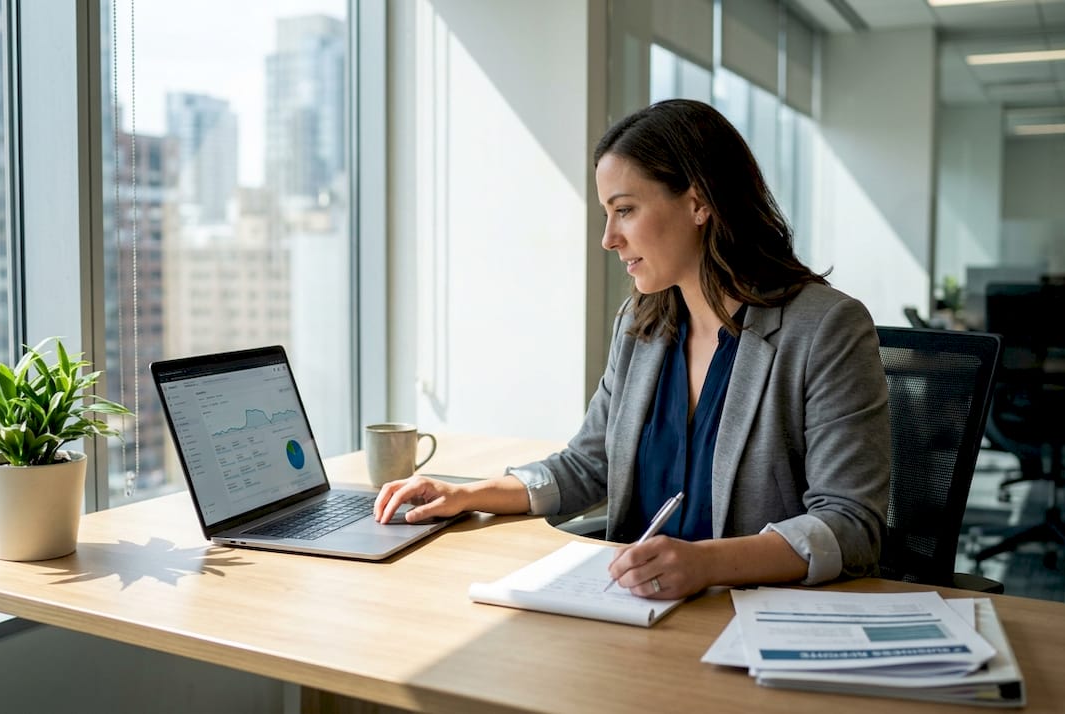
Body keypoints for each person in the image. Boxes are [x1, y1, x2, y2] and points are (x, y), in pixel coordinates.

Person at [373, 99, 890, 600]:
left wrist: (705, 564)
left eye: (624, 210)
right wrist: (468, 494)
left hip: (746, 617)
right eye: (607, 213)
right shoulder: (642, 327)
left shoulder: (825, 329)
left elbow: (850, 524)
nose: (608, 238)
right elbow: (587, 465)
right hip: (632, 606)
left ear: (697, 202)